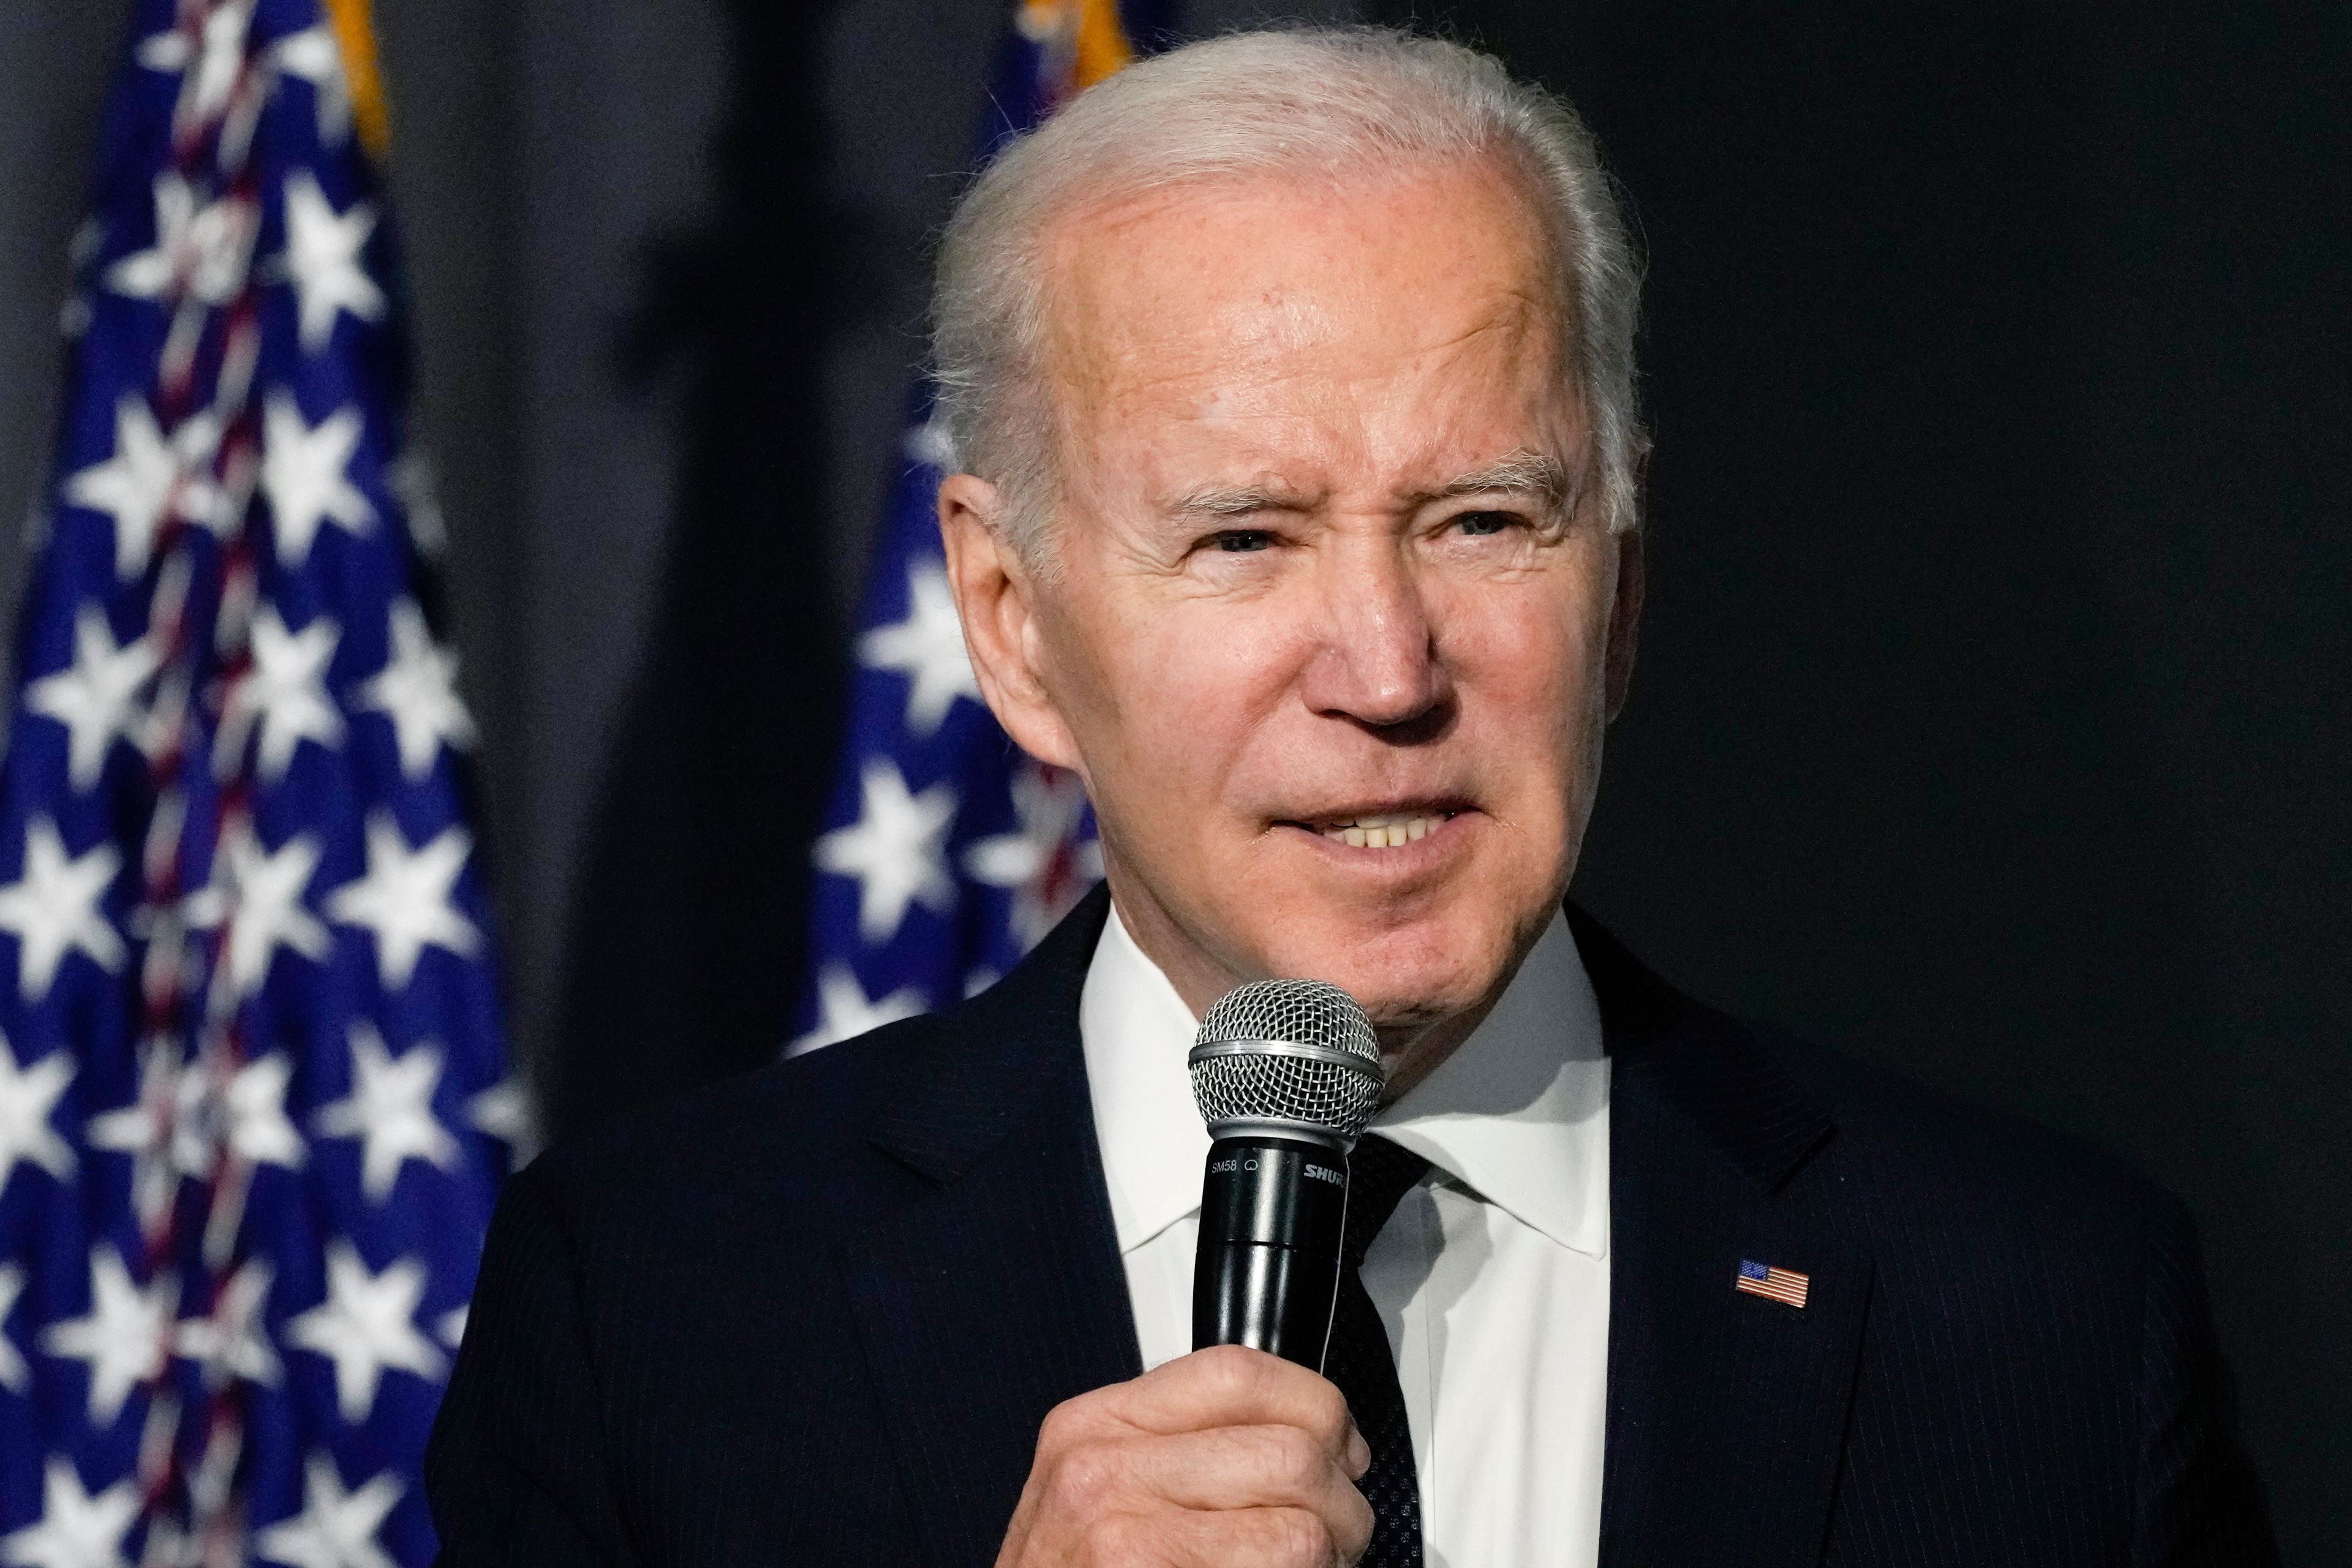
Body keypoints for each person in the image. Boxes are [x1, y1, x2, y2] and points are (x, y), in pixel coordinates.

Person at [426, 26, 2274, 1566]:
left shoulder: (2033, 1320)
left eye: (1484, 520)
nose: (1386, 671)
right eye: (1247, 537)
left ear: (1618, 589)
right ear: (1013, 625)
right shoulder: (659, 1315)